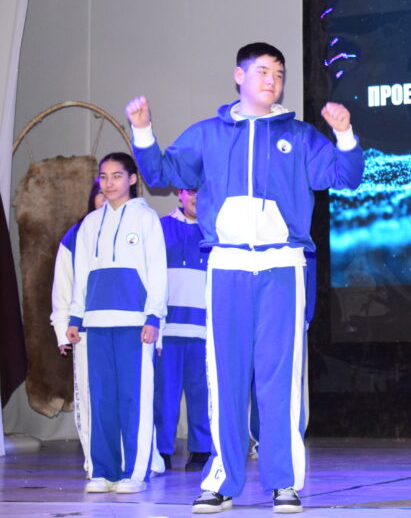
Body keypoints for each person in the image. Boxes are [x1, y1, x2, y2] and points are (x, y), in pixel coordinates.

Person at [126, 42, 364, 514]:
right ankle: (222, 480)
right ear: (239, 75)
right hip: (227, 267)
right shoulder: (208, 134)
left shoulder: (299, 136)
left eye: (279, 73)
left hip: (283, 268)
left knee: (280, 380)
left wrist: (345, 134)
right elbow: (160, 172)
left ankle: (284, 483)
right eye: (262, 71)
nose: (272, 80)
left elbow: (346, 177)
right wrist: (143, 130)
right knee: (226, 379)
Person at [66, 153, 167, 494]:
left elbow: (158, 272)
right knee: (101, 399)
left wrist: (154, 316)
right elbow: (80, 274)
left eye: (117, 176)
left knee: (133, 399)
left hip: (135, 323)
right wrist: (75, 317)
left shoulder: (146, 218)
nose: (109, 183)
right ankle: (103, 471)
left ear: (132, 179)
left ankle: (134, 473)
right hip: (95, 323)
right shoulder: (90, 223)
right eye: (104, 176)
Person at [50, 178, 105, 476]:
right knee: (89, 394)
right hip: (85, 329)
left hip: (128, 328)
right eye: (100, 192)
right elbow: (63, 286)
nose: (106, 197)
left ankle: (131, 460)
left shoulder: (138, 227)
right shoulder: (76, 234)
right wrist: (62, 329)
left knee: (127, 395)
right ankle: (95, 460)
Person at [154, 187, 211, 472]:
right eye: (192, 191)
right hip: (168, 328)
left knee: (202, 393)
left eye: (203, 190)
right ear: (180, 193)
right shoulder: (160, 227)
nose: (197, 197)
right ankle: (162, 450)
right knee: (164, 395)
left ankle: (201, 449)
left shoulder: (218, 230)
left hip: (204, 329)